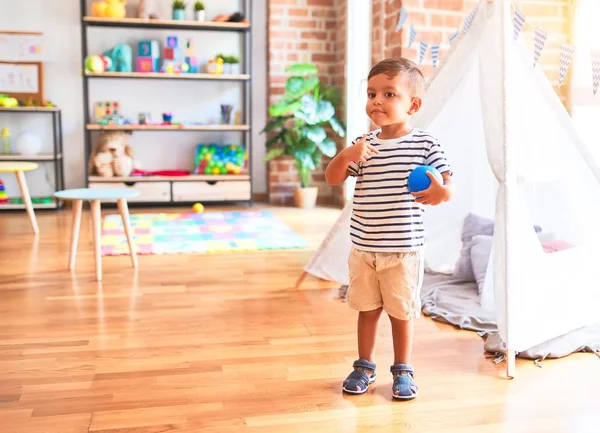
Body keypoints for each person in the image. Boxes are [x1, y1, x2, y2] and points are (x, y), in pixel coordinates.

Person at [324, 58, 453, 400]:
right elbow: (333, 177)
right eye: (371, 93)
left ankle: (403, 369)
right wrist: (345, 155)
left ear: (413, 105)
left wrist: (439, 192)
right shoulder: (364, 143)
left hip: (403, 249)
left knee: (401, 312)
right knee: (367, 309)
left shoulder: (425, 144)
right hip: (364, 247)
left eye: (388, 94)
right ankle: (364, 364)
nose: (376, 101)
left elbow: (447, 188)